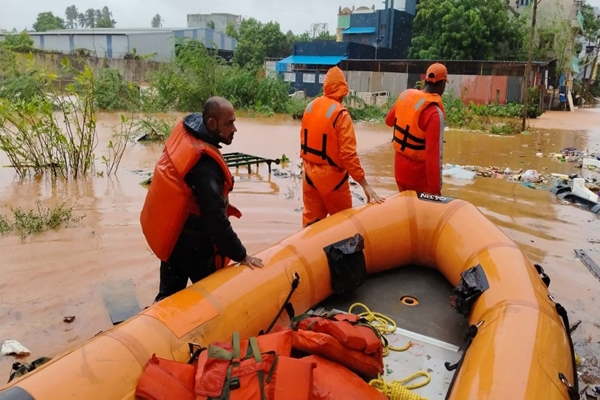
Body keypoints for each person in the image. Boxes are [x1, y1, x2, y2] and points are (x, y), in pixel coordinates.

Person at [140, 96, 263, 303]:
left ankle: (155, 327)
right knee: (213, 301)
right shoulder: (205, 167)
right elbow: (216, 222)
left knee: (168, 297)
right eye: (229, 123)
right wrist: (242, 255)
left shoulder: (190, 131)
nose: (234, 129)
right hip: (194, 244)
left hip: (173, 234)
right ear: (212, 123)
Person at [300, 66, 384, 228]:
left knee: (310, 228)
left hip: (309, 178)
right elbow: (348, 155)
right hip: (333, 183)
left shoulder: (310, 107)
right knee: (345, 228)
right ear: (343, 89)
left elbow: (304, 141)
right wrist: (365, 185)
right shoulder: (341, 114)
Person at [385, 62, 448, 195]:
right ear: (443, 85)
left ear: (425, 81)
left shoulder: (406, 96)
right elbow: (433, 159)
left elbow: (389, 121)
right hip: (419, 178)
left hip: (399, 172)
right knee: (423, 216)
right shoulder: (434, 113)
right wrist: (436, 193)